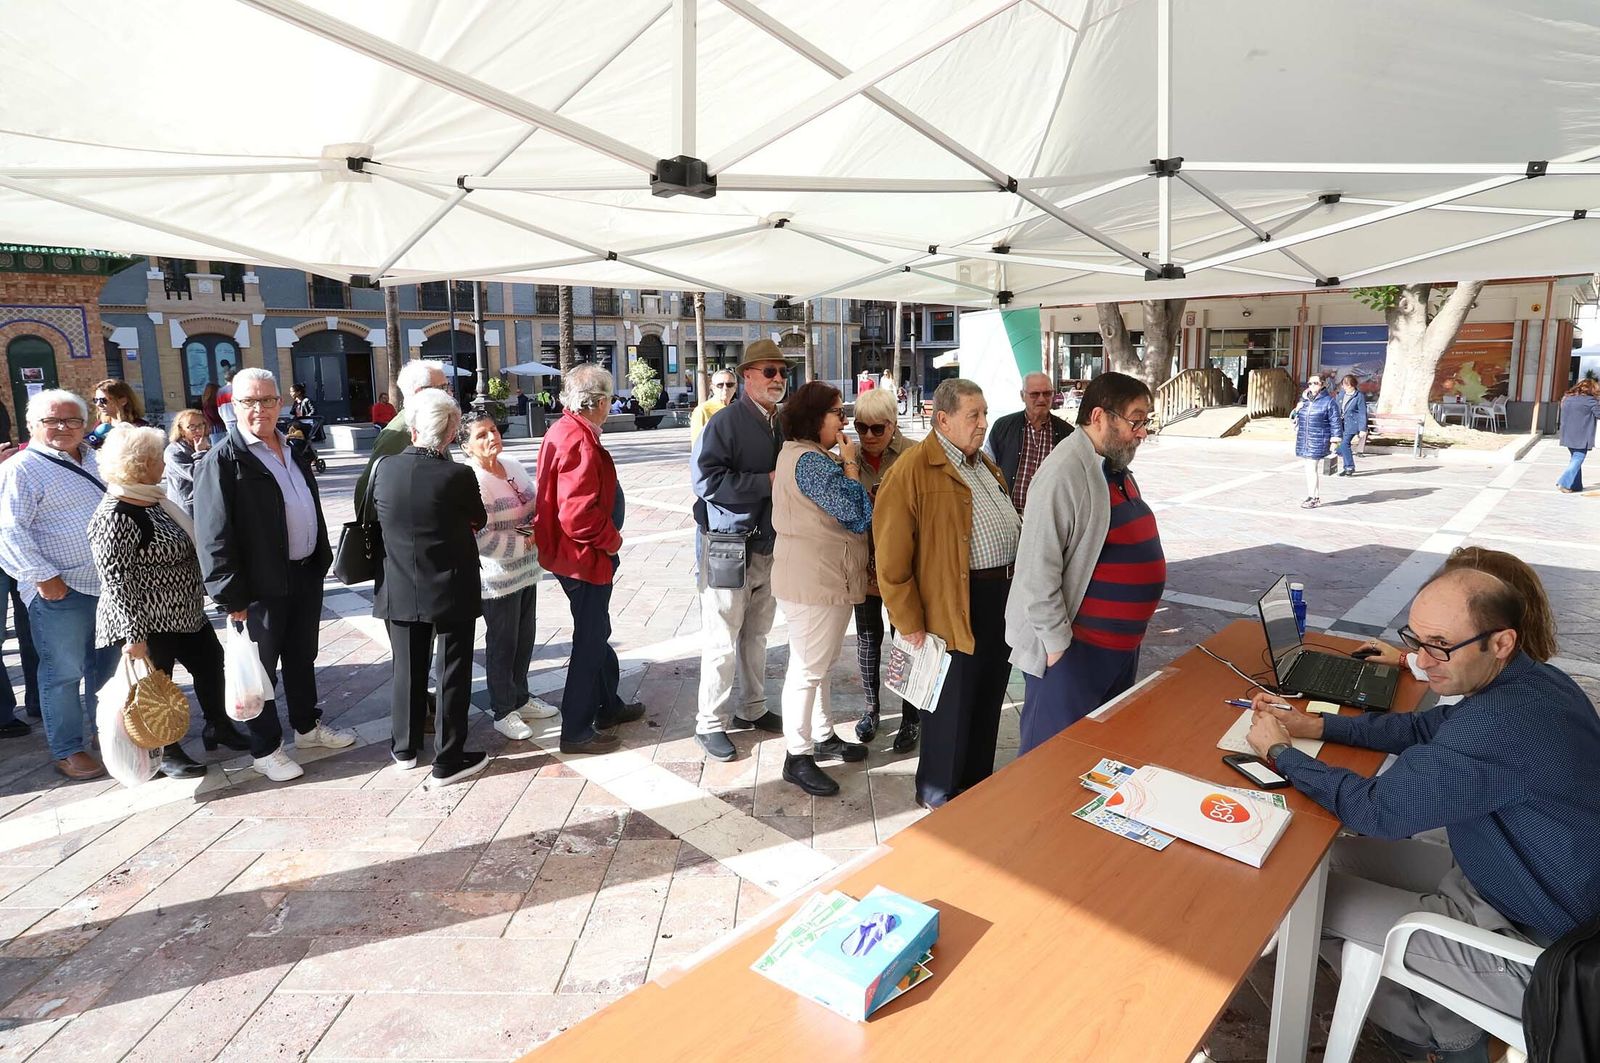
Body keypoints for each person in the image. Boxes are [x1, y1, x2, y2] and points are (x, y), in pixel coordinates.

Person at [1245, 566, 1600, 1063]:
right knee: (1335, 859)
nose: (1418, 659)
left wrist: (1281, 755)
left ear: (1500, 642)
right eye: (1414, 638)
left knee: (1303, 903)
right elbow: (1424, 727)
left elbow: (1378, 811)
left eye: (1439, 645)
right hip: (1507, 883)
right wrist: (1317, 725)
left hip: (1545, 948)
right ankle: (1441, 1020)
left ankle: (1437, 1045)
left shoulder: (1501, 723)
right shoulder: (1535, 681)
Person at [193, 368, 354, 783]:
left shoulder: (292, 448)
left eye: (267, 400)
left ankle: (307, 727)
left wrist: (321, 559)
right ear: (233, 406)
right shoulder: (223, 461)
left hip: (304, 574)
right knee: (259, 671)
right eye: (249, 401)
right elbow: (213, 535)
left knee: (302, 658)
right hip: (258, 586)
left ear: (280, 403)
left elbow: (308, 505)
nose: (259, 409)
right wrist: (231, 597)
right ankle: (265, 748)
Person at [875, 378, 1019, 809]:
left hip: (998, 601)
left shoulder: (984, 465)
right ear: (943, 419)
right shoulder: (912, 470)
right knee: (949, 707)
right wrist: (910, 622)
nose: (983, 423)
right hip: (949, 607)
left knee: (988, 696)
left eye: (985, 413)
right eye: (973, 415)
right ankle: (938, 793)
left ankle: (975, 786)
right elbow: (891, 559)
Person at [1006, 372, 1164, 756]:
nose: (1142, 432)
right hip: (1075, 654)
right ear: (1099, 417)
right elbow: (1037, 571)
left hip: (1116, 651)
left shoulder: (1110, 465)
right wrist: (1058, 648)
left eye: (1146, 421)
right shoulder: (1062, 474)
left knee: (1098, 754)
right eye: (1135, 419)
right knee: (1052, 759)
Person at [89, 426, 250, 779]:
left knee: (211, 668)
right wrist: (134, 636)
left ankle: (218, 726)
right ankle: (164, 750)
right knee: (154, 690)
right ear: (140, 465)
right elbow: (116, 580)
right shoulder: (116, 514)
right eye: (157, 458)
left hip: (186, 612)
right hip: (148, 620)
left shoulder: (154, 500)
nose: (164, 462)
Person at [370, 390, 490, 787]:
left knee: (407, 669)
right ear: (453, 429)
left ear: (413, 428)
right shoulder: (457, 474)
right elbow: (478, 518)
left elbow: (374, 518)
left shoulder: (384, 468)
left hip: (401, 584)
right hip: (451, 585)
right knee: (452, 672)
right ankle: (448, 758)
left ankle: (403, 748)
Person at [0, 390, 121, 779]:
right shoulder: (21, 468)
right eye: (52, 421)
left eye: (72, 420)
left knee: (107, 668)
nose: (63, 428)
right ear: (33, 425)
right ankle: (67, 748)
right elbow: (8, 530)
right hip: (61, 589)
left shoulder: (97, 459)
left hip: (108, 586)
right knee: (63, 673)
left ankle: (108, 732)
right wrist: (43, 578)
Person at [533, 364, 646, 755]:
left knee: (596, 632)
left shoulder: (566, 430)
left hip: (575, 556)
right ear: (597, 403)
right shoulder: (577, 439)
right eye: (609, 400)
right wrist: (611, 541)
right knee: (589, 640)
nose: (611, 406)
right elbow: (577, 514)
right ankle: (577, 729)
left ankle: (608, 705)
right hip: (583, 557)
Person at [690, 339, 790, 761]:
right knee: (721, 639)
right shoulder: (725, 423)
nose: (779, 379)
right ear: (747, 375)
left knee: (757, 633)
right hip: (730, 547)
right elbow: (705, 483)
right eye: (769, 372)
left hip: (768, 546)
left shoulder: (779, 423)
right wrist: (765, 481)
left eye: (782, 372)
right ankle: (708, 722)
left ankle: (752, 707)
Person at [771, 382, 872, 796]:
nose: (843, 419)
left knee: (820, 664)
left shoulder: (805, 456)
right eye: (836, 412)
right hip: (814, 581)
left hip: (820, 577)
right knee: (808, 669)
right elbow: (856, 512)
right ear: (815, 417)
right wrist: (850, 464)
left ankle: (823, 734)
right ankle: (797, 755)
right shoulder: (812, 462)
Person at [460, 408, 556, 740]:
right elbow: (480, 537)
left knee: (525, 638)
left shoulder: (512, 466)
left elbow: (535, 508)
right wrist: (526, 540)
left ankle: (521, 696)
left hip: (527, 571)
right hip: (497, 577)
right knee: (503, 643)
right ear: (466, 446)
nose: (491, 437)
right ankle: (503, 709)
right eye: (481, 435)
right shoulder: (472, 478)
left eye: (493, 430)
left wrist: (532, 533)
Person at [846, 387, 917, 750]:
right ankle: (871, 708)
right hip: (864, 563)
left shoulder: (913, 454)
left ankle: (910, 716)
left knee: (905, 641)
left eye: (878, 428)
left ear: (893, 424)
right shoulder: (851, 456)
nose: (869, 436)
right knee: (868, 638)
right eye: (862, 428)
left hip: (903, 565)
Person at [1357, 546, 1558, 667]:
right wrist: (1405, 660)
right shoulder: (1510, 674)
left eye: (1442, 643)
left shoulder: (1483, 725)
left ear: (1502, 644)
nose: (1422, 662)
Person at [354, 360, 448, 512]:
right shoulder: (400, 433)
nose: (449, 393)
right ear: (420, 392)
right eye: (442, 387)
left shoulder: (427, 425)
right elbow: (367, 488)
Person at [984, 371, 1074, 513]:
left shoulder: (1067, 434)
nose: (1041, 399)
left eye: (1047, 393)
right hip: (1008, 514)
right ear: (1022, 396)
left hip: (1048, 519)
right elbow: (986, 469)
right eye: (1034, 394)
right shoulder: (1003, 427)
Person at [1290, 373, 1342, 509]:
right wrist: (1296, 410)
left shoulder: (1329, 401)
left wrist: (1334, 441)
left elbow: (1335, 422)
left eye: (1316, 383)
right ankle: (1312, 495)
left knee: (1311, 468)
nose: (1312, 386)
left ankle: (1314, 497)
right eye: (1310, 383)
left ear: (1323, 384)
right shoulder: (1304, 401)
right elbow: (1294, 417)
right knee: (1308, 468)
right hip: (1304, 439)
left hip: (1319, 438)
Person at [163, 409, 210, 518]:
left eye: (201, 425)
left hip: (205, 503)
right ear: (182, 430)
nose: (198, 430)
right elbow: (198, 475)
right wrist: (201, 453)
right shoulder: (174, 452)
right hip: (186, 509)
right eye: (192, 427)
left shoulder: (203, 444)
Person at [1555, 378, 1600, 493]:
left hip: (1567, 434)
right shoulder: (1590, 401)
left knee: (1575, 458)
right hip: (1581, 435)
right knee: (1578, 458)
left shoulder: (1567, 399)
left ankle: (1576, 485)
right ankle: (1564, 482)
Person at [86, 379, 149, 449]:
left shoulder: (141, 428)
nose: (98, 404)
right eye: (95, 400)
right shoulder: (100, 425)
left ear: (123, 401)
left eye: (103, 400)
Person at [1334, 374, 1369, 477]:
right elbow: (1336, 407)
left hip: (1352, 424)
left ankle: (1349, 467)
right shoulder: (1341, 394)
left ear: (1352, 385)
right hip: (1341, 424)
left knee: (1345, 444)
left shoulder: (1359, 396)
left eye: (1347, 385)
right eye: (1343, 385)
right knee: (1342, 446)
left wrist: (1362, 428)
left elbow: (1362, 412)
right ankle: (1346, 467)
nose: (1345, 387)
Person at [689, 370, 738, 442]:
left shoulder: (738, 410)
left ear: (735, 387)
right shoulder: (702, 411)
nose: (725, 388)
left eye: (729, 384)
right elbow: (697, 443)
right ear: (713, 388)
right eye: (720, 385)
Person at [200, 382, 224, 446]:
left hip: (214, 429)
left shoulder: (207, 404)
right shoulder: (210, 405)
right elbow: (215, 417)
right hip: (217, 429)